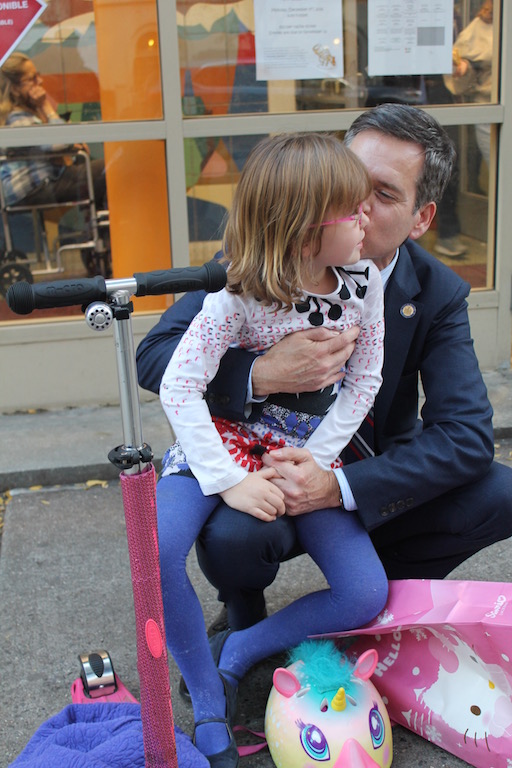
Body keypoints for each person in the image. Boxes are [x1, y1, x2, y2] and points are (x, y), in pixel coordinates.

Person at [137, 104, 512, 636]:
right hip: (267, 461)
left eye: (383, 194)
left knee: (499, 493)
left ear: (421, 219)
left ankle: (380, 606)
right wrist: (260, 373)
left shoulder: (437, 291)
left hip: (363, 473)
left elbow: (467, 437)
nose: (357, 205)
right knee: (233, 536)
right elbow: (156, 354)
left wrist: (339, 487)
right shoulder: (268, 253)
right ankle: (244, 613)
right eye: (350, 181)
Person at [157, 132, 388, 767]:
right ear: (306, 231)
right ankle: (208, 705)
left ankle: (243, 647)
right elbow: (178, 385)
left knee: (364, 593)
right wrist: (229, 479)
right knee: (156, 553)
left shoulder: (363, 281)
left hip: (303, 450)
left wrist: (317, 455)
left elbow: (365, 378)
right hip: (219, 443)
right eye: (354, 208)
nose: (368, 216)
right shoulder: (234, 298)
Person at [0, 53, 107, 209]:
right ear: (15, 89)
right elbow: (59, 142)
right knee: (107, 168)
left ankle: (94, 223)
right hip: (33, 189)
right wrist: (45, 107)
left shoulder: (21, 113)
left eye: (38, 75)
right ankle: (98, 226)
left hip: (38, 184)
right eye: (32, 79)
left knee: (91, 171)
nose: (40, 81)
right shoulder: (16, 118)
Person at [444, 0, 493, 166]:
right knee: (501, 167)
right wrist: (464, 65)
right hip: (491, 107)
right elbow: (462, 58)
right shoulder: (480, 28)